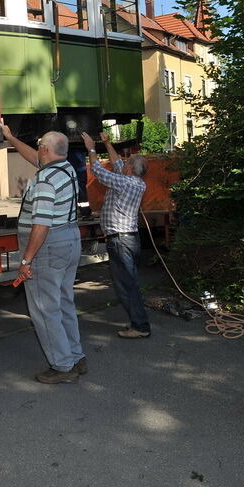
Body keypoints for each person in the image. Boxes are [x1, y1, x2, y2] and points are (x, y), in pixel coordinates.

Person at [1, 124, 86, 384]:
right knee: (63, 303)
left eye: (39, 146)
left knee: (44, 308)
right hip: (69, 239)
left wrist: (26, 260)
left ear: (46, 149)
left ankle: (62, 367)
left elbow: (41, 224)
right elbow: (34, 157)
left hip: (47, 246)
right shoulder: (66, 168)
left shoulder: (45, 180)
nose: (37, 151)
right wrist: (11, 137)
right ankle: (75, 356)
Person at [80, 131, 151, 339]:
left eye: (127, 162)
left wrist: (91, 148)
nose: (124, 164)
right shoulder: (134, 181)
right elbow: (117, 163)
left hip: (120, 240)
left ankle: (140, 326)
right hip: (126, 239)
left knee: (127, 285)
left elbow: (99, 171)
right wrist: (107, 143)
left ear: (131, 169)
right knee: (128, 283)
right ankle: (138, 323)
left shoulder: (126, 183)